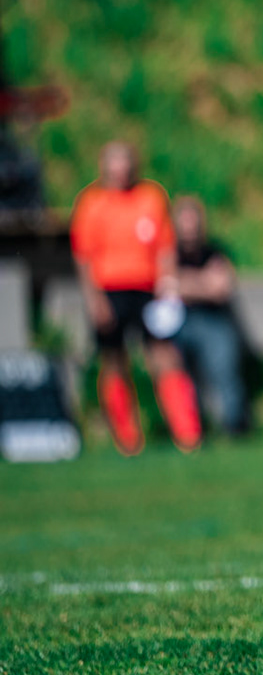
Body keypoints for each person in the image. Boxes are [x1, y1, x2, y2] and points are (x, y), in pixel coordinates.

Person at [70, 142, 200, 456]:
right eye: (114, 162)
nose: (120, 168)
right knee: (115, 362)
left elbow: (165, 247)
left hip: (148, 289)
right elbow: (84, 258)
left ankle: (188, 435)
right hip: (110, 290)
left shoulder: (151, 197)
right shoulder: (92, 203)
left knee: (165, 356)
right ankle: (128, 439)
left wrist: (167, 286)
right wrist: (94, 300)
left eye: (125, 161)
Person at [170, 196, 249, 436]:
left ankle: (235, 427)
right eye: (184, 223)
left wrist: (184, 283)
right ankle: (190, 431)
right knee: (178, 375)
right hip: (179, 322)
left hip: (214, 321)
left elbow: (222, 287)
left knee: (223, 368)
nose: (190, 230)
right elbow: (163, 285)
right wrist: (203, 283)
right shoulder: (167, 253)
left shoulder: (215, 250)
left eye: (193, 223)